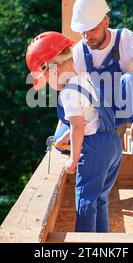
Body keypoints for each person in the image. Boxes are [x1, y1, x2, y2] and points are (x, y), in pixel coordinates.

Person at [26, 31, 122, 233]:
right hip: (113, 144)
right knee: (100, 198)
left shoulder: (68, 93)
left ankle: (86, 246)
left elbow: (78, 127)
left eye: (46, 79)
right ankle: (103, 242)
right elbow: (88, 117)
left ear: (51, 69)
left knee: (85, 202)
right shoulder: (86, 78)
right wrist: (65, 135)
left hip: (95, 149)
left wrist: (74, 158)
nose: (50, 87)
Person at [67, 0, 133, 177]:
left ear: (106, 21)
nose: (87, 36)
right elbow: (74, 97)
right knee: (65, 140)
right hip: (101, 114)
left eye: (92, 29)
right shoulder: (79, 51)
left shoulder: (126, 40)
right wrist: (68, 129)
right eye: (83, 31)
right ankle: (111, 135)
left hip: (130, 109)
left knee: (131, 80)